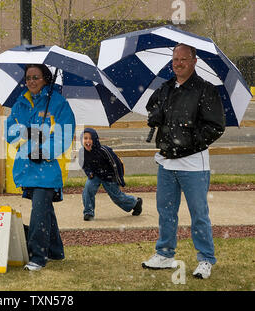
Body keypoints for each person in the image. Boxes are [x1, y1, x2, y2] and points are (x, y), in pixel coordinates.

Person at [142, 43, 225, 279]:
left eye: (183, 59)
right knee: (166, 211)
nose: (178, 63)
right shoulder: (166, 88)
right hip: (167, 162)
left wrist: (186, 141)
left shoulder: (206, 90)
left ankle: (205, 259)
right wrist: (155, 115)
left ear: (194, 61)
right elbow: (153, 108)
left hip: (193, 164)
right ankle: (165, 254)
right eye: (175, 59)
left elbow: (215, 127)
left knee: (199, 213)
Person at [6, 64, 76, 271]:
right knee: (44, 210)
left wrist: (43, 151)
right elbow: (10, 131)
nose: (31, 82)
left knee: (39, 211)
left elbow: (64, 135)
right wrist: (27, 138)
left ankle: (37, 256)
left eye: (36, 77)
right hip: (27, 168)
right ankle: (55, 250)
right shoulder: (20, 103)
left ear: (46, 79)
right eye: (28, 78)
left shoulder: (58, 104)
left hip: (48, 169)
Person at [79, 128, 142, 221]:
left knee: (117, 197)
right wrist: (89, 173)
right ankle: (89, 212)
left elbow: (117, 165)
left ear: (95, 139)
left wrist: (119, 180)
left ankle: (135, 203)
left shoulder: (104, 150)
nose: (88, 141)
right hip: (95, 175)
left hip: (109, 175)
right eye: (85, 138)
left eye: (90, 138)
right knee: (88, 189)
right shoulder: (82, 152)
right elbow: (84, 165)